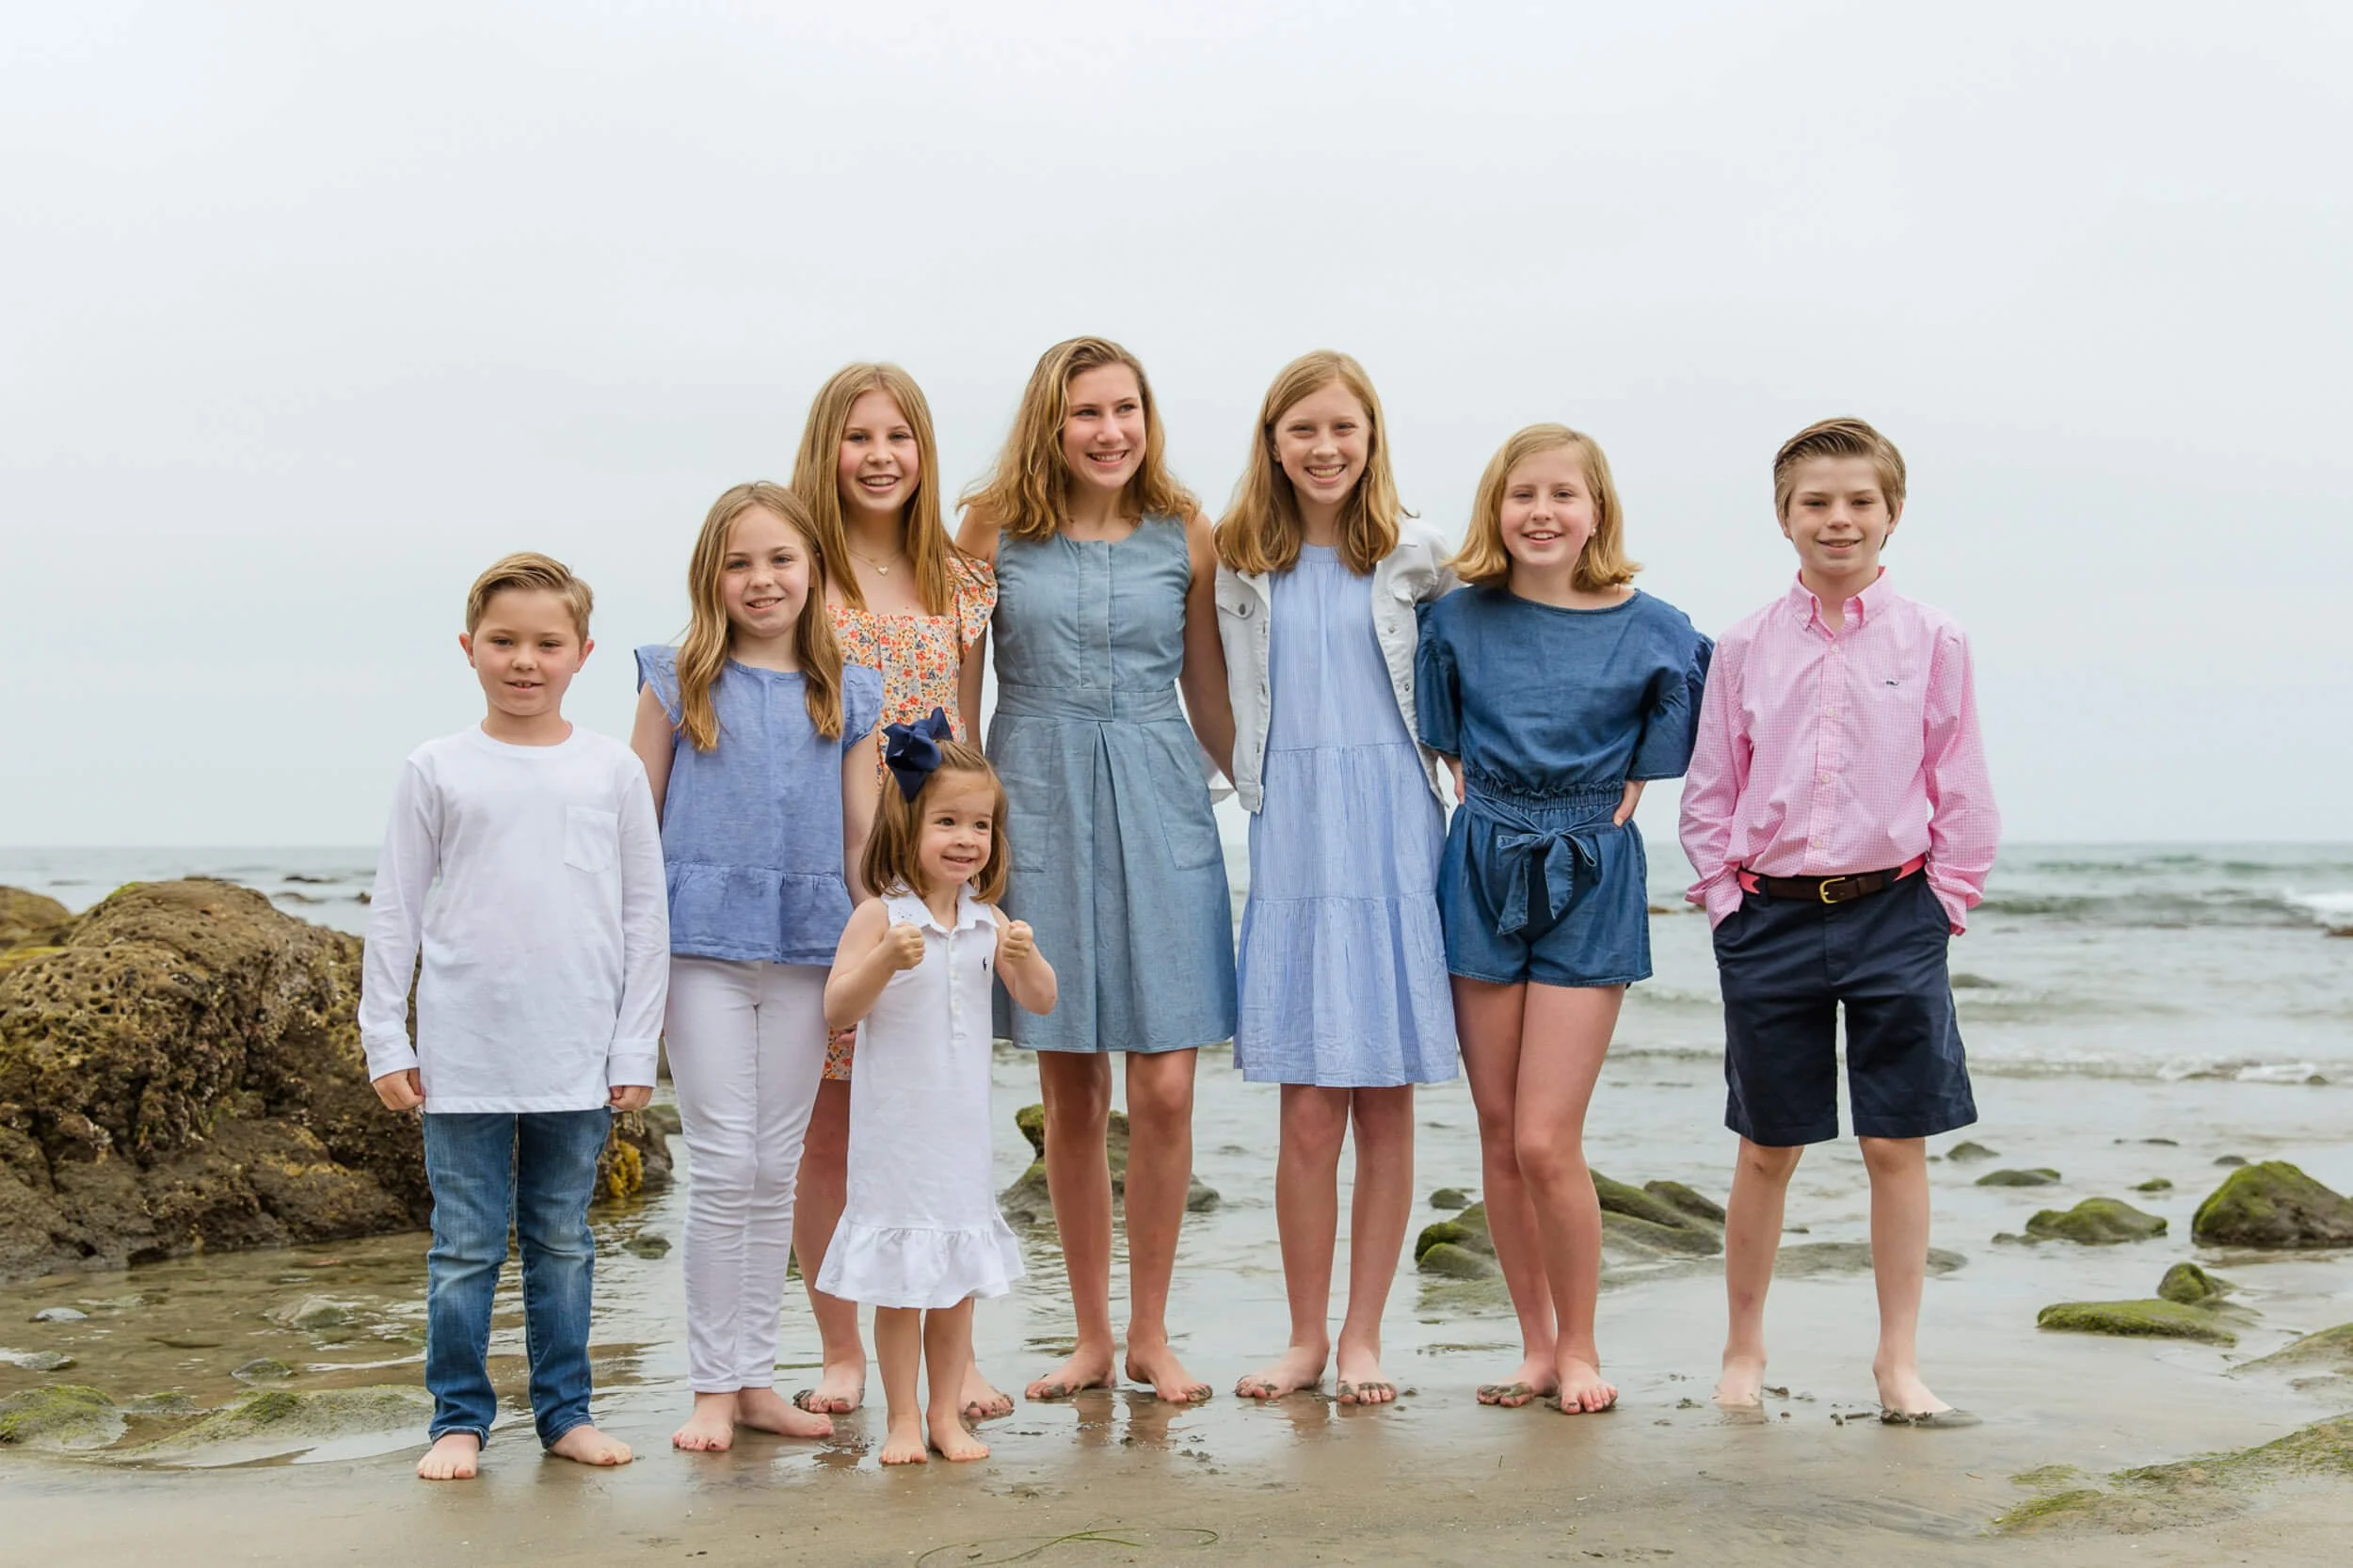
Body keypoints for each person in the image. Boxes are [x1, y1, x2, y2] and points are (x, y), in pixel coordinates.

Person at [1678, 417, 1997, 1426]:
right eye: (1815, 502)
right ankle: (1742, 1349)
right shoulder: (1740, 647)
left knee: (1893, 1144)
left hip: (1894, 909)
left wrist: (1943, 901)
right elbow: (1708, 789)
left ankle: (1896, 1362)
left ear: (1891, 512)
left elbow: (1961, 782)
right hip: (1768, 917)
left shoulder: (1934, 639)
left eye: (1858, 500)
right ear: (1783, 518)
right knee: (1767, 1146)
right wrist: (1726, 900)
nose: (1837, 519)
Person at [955, 336, 1238, 1405]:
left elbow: (1209, 696)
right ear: (1051, 421)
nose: (1110, 430)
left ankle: (1153, 1333)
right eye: (1087, 413)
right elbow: (957, 695)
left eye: (1126, 409)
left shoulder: (1185, 530)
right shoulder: (988, 529)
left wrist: (1267, 781)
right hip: (1035, 793)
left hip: (1162, 792)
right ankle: (1087, 1336)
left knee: (1164, 1084)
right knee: (1070, 1085)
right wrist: (954, 828)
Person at [1417, 425, 1710, 1415]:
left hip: (1593, 864)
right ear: (1496, 509)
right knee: (1498, 1133)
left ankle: (1583, 1347)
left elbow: (1674, 745)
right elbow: (1445, 746)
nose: (1541, 512)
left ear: (1597, 512)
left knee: (1547, 1137)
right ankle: (1535, 1345)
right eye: (1520, 494)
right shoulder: (1456, 621)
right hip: (1481, 857)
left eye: (1562, 495)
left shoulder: (1660, 628)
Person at [360, 552, 665, 1481]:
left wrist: (634, 1042)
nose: (524, 660)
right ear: (470, 648)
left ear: (582, 652)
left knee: (564, 1239)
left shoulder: (610, 770)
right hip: (464, 1050)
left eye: (546, 642)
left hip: (578, 1049)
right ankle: (457, 1419)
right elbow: (395, 907)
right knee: (462, 1247)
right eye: (504, 641)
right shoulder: (437, 767)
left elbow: (643, 911)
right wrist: (386, 1036)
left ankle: (565, 1413)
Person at [1213, 351, 1457, 1406]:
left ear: (1371, 438)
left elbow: (1490, 661)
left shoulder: (1419, 556)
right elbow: (1207, 687)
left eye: (1342, 429)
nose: (1324, 448)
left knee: (1386, 1101)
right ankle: (1305, 1336)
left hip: (1398, 824)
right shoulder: (1234, 561)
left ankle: (1364, 1337)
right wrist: (1233, 779)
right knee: (1308, 1110)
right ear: (1272, 441)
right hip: (1297, 832)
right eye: (1302, 429)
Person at [627, 482, 882, 1453]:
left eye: (780, 559)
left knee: (776, 1169)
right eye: (739, 563)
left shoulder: (848, 690)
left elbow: (860, 840)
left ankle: (757, 1380)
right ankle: (708, 1384)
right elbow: (635, 823)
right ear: (712, 578)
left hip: (807, 947)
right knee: (724, 1162)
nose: (761, 579)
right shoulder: (672, 678)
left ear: (812, 569)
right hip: (698, 946)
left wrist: (894, 929)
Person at [784, 362, 1005, 1422]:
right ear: (826, 448)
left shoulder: (957, 580)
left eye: (900, 437)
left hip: (931, 883)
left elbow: (962, 735)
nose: (880, 457)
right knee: (834, 1121)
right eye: (858, 437)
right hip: (831, 872)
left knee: (944, 1121)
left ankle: (955, 1361)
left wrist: (964, 867)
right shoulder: (799, 570)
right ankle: (842, 1348)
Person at [820, 712, 1056, 1464]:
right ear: (908, 825)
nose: (966, 839)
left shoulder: (990, 922)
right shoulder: (880, 918)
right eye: (947, 821)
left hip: (960, 1142)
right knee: (900, 1290)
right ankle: (899, 1422)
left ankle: (947, 1416)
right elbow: (836, 1011)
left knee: (955, 1287)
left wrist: (1026, 955)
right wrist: (886, 961)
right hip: (896, 1140)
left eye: (980, 825)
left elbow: (1043, 1000)